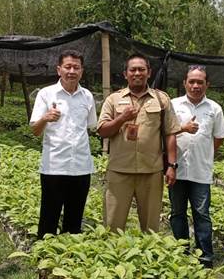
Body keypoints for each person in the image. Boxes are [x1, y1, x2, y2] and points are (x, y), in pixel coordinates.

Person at [97, 54, 179, 232]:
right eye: (132, 70)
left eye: (141, 69)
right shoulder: (113, 99)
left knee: (150, 228)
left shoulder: (161, 99)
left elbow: (170, 133)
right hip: (119, 170)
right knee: (112, 225)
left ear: (149, 73)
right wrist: (122, 118)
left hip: (151, 171)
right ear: (125, 74)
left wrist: (172, 166)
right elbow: (102, 131)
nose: (137, 73)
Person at [30, 49, 97, 237]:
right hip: (54, 167)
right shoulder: (46, 94)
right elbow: (35, 130)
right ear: (59, 69)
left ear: (82, 71)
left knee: (74, 221)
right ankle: (45, 252)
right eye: (68, 67)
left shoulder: (87, 96)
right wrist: (45, 118)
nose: (72, 71)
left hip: (81, 167)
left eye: (76, 67)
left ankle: (70, 253)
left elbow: (91, 126)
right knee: (48, 219)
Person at [169, 66, 224, 267]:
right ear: (184, 83)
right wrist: (183, 129)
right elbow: (166, 133)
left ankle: (205, 258)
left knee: (202, 214)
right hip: (177, 169)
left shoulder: (214, 108)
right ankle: (181, 253)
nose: (195, 86)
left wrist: (204, 153)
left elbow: (219, 137)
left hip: (201, 171)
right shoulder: (173, 104)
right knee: (177, 212)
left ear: (207, 84)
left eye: (200, 82)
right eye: (192, 81)